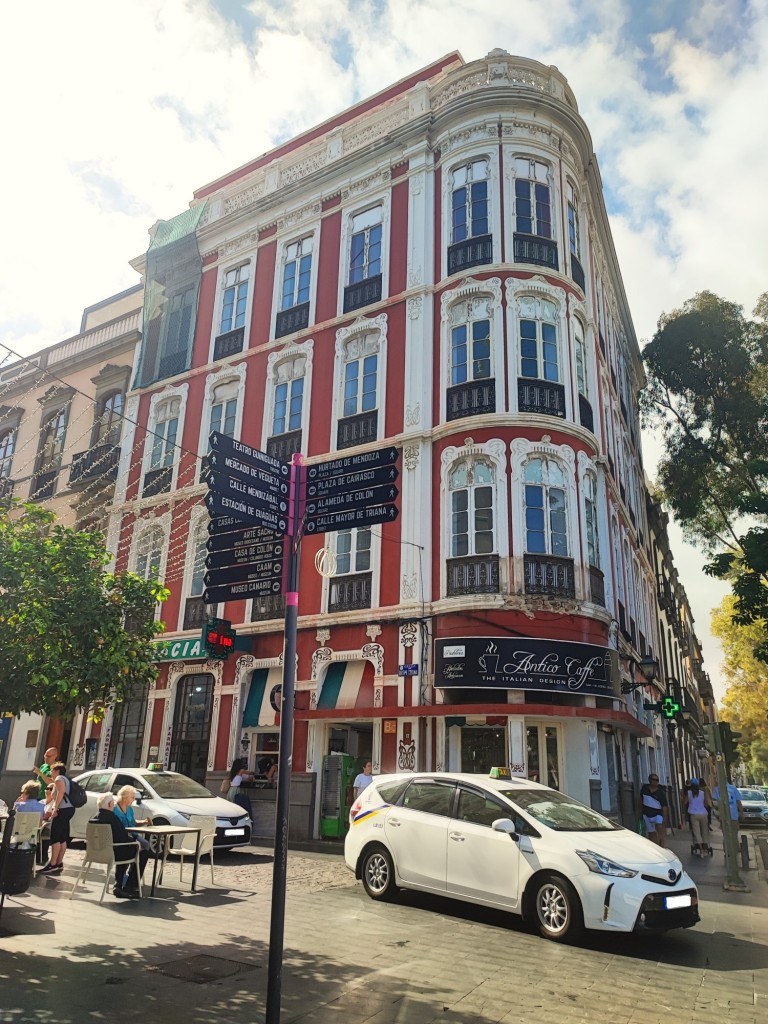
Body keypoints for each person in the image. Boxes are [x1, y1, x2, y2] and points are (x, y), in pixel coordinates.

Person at [90, 792, 147, 899]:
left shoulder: (93, 818)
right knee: (142, 851)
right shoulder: (113, 818)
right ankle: (129, 886)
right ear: (110, 804)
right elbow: (123, 837)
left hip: (95, 853)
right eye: (113, 802)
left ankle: (119, 884)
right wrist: (135, 842)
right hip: (113, 854)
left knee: (124, 848)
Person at [114, 785, 153, 891]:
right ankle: (129, 878)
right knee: (135, 847)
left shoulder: (129, 808)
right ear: (125, 798)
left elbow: (133, 822)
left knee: (145, 844)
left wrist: (144, 822)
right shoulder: (115, 809)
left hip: (133, 834)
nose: (134, 799)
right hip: (122, 837)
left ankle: (133, 871)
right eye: (132, 797)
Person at [39, 761, 75, 875]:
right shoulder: (65, 779)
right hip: (69, 809)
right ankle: (59, 863)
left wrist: (55, 808)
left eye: (52, 770)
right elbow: (50, 782)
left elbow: (60, 792)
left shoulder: (59, 779)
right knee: (63, 837)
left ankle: (53, 864)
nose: (51, 772)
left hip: (62, 810)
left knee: (56, 837)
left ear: (57, 771)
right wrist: (39, 773)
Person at [639, 773, 668, 847]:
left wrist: (665, 817)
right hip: (646, 814)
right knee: (651, 832)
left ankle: (661, 845)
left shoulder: (661, 792)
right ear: (649, 780)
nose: (655, 781)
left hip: (658, 814)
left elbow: (664, 806)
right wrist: (640, 810)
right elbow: (641, 799)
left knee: (659, 828)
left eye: (657, 780)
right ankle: (655, 846)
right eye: (653, 780)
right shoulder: (645, 788)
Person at [685, 778, 712, 854]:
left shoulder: (689, 793)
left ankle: (700, 848)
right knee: (704, 831)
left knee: (696, 832)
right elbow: (706, 802)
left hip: (694, 814)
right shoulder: (702, 793)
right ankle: (706, 846)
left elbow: (685, 802)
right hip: (703, 813)